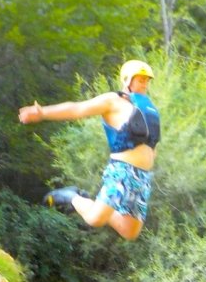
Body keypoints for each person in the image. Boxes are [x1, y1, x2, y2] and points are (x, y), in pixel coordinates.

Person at [18, 59, 161, 241]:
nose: (145, 84)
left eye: (147, 81)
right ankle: (70, 196)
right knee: (95, 219)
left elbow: (151, 145)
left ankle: (95, 204)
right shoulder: (113, 101)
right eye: (140, 80)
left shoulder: (149, 110)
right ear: (127, 80)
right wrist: (43, 112)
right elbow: (77, 109)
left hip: (142, 177)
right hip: (122, 171)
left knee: (129, 232)